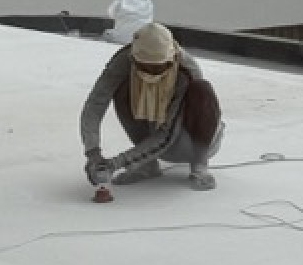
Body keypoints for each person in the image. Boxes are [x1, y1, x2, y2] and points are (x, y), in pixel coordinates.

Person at [80, 22, 223, 193]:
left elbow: (166, 135)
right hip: (151, 135)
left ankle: (199, 165)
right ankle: (147, 166)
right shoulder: (124, 60)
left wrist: (116, 163)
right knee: (122, 88)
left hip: (185, 141)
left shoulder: (186, 70)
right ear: (134, 58)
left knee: (201, 89)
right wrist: (93, 153)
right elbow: (95, 103)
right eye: (146, 67)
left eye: (157, 67)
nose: (151, 72)